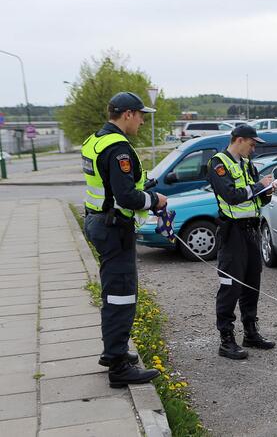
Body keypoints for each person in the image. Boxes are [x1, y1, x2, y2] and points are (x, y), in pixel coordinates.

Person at [82, 92, 168, 387]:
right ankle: (118, 366)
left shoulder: (95, 140)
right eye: (141, 115)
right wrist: (155, 199)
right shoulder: (118, 147)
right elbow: (126, 196)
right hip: (114, 228)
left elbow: (110, 185)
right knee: (121, 295)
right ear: (128, 114)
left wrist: (144, 184)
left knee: (113, 292)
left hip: (98, 221)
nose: (143, 120)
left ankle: (113, 352)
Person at [207, 125, 277, 360]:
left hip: (251, 230)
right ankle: (226, 339)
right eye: (252, 143)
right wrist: (258, 187)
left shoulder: (248, 164)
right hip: (233, 232)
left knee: (251, 283)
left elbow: (257, 199)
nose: (254, 148)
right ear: (238, 140)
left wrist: (267, 190)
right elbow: (232, 196)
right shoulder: (218, 163)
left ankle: (250, 331)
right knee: (231, 286)